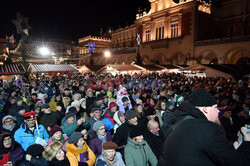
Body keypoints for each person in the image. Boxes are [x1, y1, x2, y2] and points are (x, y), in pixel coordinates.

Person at [158, 88, 250, 166]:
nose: (218, 111)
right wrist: (247, 142)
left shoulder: (180, 122)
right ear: (205, 109)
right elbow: (236, 163)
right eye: (215, 107)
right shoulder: (207, 128)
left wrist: (236, 145)